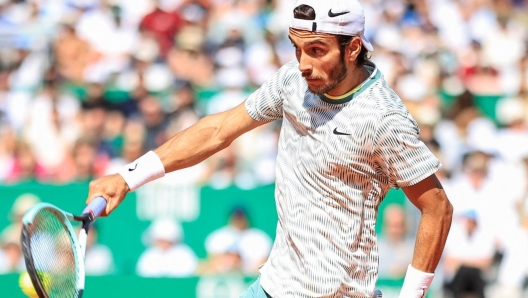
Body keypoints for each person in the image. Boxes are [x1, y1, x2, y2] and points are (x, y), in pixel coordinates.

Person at [85, 0, 453, 296]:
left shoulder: (383, 118)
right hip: (272, 285)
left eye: (317, 50)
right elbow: (218, 130)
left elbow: (437, 207)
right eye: (297, 50)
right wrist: (128, 177)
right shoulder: (291, 82)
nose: (304, 65)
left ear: (353, 48)